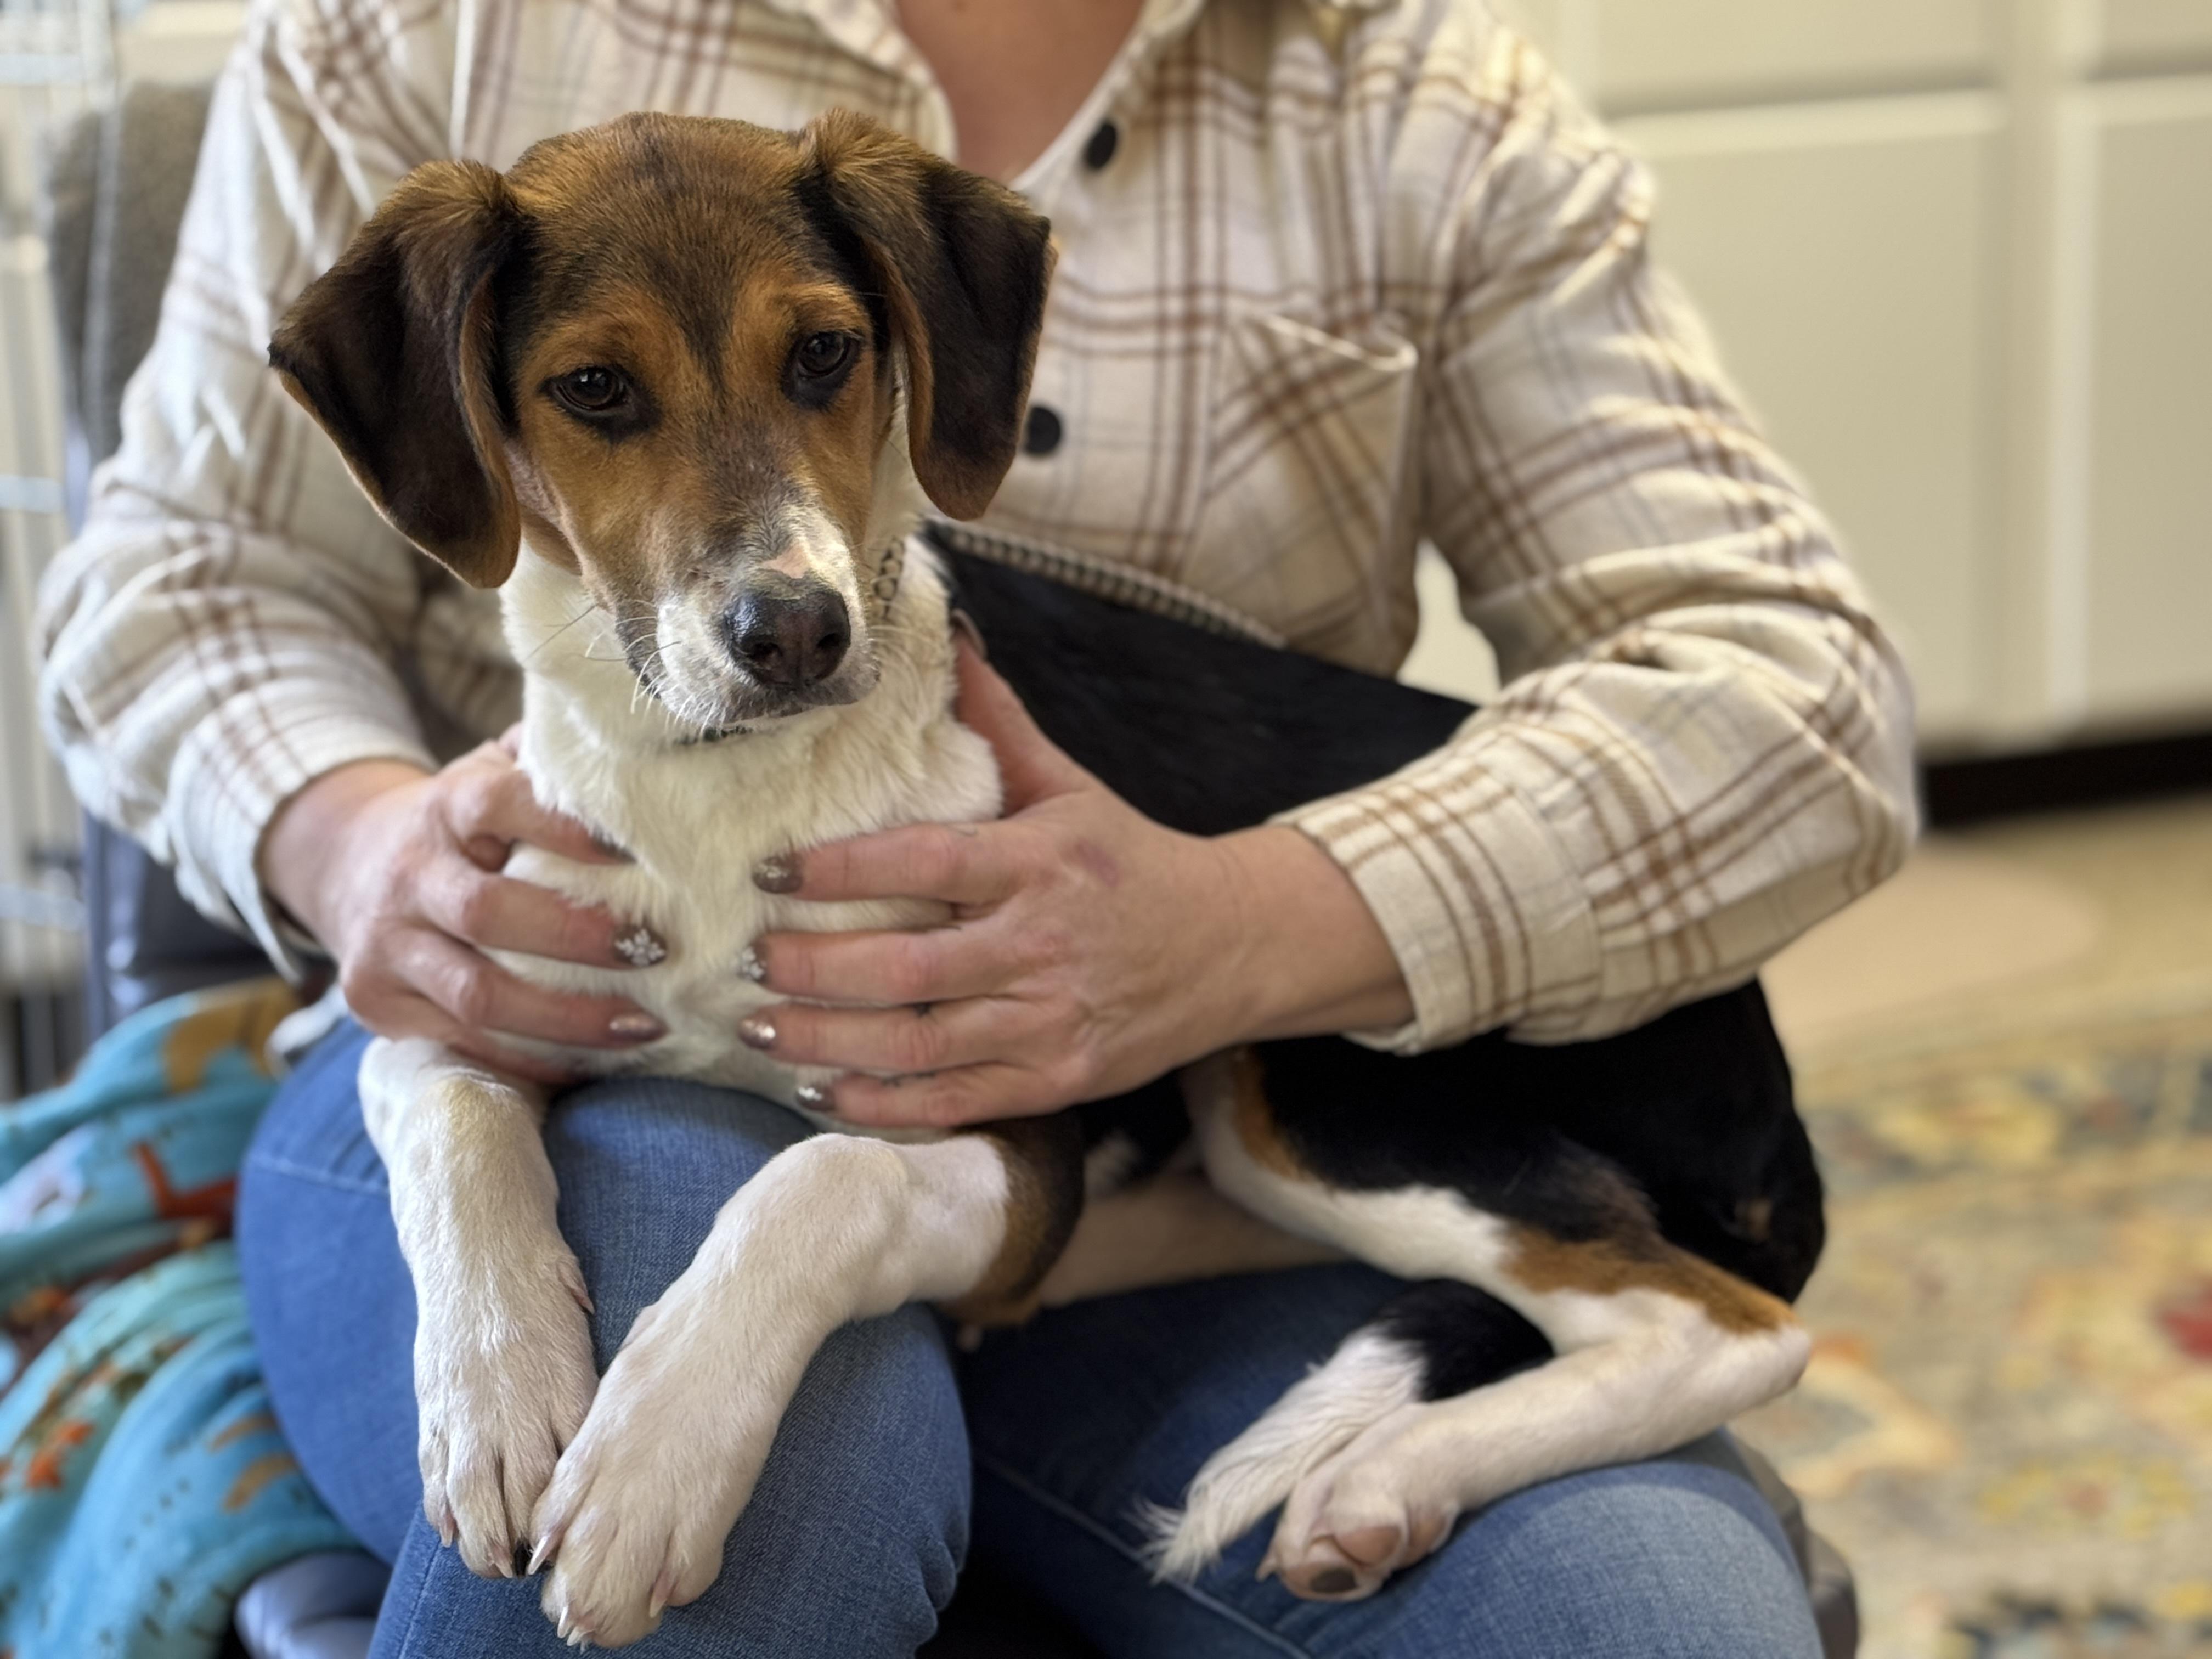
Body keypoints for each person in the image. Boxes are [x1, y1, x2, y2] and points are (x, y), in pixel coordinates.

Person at [37, 0, 1915, 1652]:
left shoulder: (1425, 97)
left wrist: (1244, 928)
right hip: (559, 1055)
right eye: (602, 397)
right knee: (740, 1464)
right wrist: (362, 849)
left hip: (1139, 1162)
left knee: (1641, 1621)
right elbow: (171, 579)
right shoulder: (413, 29)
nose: (768, 543)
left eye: (823, 360)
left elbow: (1800, 692)